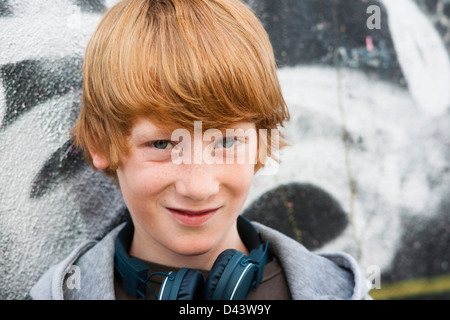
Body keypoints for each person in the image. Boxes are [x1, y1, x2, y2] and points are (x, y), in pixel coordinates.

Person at [30, 0, 370, 300]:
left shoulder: (340, 293)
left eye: (226, 142)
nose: (198, 187)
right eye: (161, 144)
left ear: (261, 140)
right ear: (101, 144)